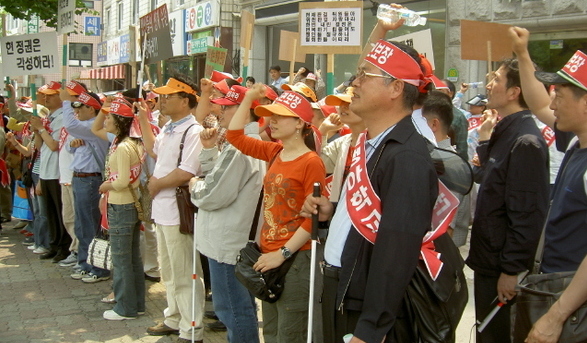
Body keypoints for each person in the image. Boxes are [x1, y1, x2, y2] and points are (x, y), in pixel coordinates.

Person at [302, 40, 439, 343]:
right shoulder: (373, 143)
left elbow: (397, 251)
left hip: (364, 307)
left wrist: (371, 329)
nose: (355, 83)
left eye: (365, 74)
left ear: (395, 88)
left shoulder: (407, 157)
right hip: (345, 288)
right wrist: (332, 213)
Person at [226, 84, 326, 343]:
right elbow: (234, 135)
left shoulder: (311, 162)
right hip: (266, 255)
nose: (272, 120)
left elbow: (311, 218)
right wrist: (248, 97)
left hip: (294, 260)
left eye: (280, 116)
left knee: (289, 334)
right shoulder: (274, 151)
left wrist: (282, 254)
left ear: (300, 123)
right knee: (270, 332)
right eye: (272, 114)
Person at [466, 58, 550, 343]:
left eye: (497, 80)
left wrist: (511, 270)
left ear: (514, 92)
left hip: (501, 267)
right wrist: (485, 139)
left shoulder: (525, 141)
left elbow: (527, 214)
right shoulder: (507, 132)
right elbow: (490, 181)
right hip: (489, 260)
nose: (489, 85)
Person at [190, 85, 263, 343]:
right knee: (238, 309)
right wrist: (209, 150)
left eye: (228, 106)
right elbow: (218, 180)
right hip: (229, 240)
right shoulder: (240, 143)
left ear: (247, 111)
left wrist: (193, 187)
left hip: (227, 244)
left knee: (233, 310)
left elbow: (213, 193)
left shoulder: (243, 146)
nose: (221, 111)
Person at [137, 76, 206, 343]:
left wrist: (157, 184)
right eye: (161, 96)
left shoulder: (194, 131)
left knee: (185, 272)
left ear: (186, 100)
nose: (162, 100)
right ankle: (174, 317)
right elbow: (154, 150)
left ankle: (192, 329)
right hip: (163, 211)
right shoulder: (169, 128)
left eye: (168, 96)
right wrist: (144, 118)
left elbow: (187, 171)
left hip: (179, 213)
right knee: (169, 271)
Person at [97, 98, 145, 320]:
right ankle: (136, 304)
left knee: (122, 259)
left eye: (109, 116)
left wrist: (106, 186)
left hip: (121, 205)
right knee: (132, 258)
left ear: (118, 121)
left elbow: (122, 181)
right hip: (128, 205)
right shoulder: (128, 143)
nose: (105, 119)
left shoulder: (123, 147)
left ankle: (125, 307)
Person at [63, 89, 111, 281]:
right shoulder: (86, 126)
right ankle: (85, 263)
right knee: (82, 225)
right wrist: (72, 144)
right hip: (80, 177)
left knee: (90, 225)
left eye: (80, 106)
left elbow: (70, 125)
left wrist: (66, 101)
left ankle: (99, 268)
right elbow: (69, 145)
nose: (77, 111)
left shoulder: (92, 126)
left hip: (91, 179)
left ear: (92, 110)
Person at [30, 81, 72, 263]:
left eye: (50, 95)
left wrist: (41, 128)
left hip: (57, 172)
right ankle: (54, 245)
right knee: (50, 213)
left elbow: (54, 145)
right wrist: (38, 131)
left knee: (60, 212)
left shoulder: (63, 117)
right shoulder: (49, 117)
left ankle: (64, 247)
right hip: (45, 171)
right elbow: (40, 147)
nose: (45, 98)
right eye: (44, 95)